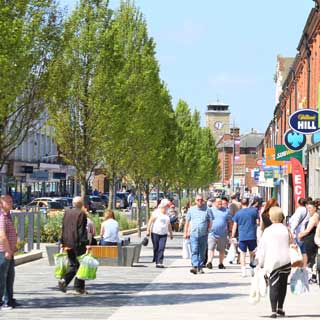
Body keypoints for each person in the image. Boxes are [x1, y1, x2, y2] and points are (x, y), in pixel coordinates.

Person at [257, 206, 291, 318]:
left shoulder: (268, 230)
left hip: (273, 261)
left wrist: (260, 263)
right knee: (283, 285)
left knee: (274, 285)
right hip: (286, 260)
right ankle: (280, 307)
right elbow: (292, 243)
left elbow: (262, 248)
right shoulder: (286, 229)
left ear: (271, 217)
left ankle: (273, 310)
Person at [59, 196, 88, 294]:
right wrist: (85, 243)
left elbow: (63, 227)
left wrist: (62, 241)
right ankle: (74, 285)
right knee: (79, 265)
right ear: (81, 204)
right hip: (77, 243)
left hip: (67, 242)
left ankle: (77, 286)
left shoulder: (67, 212)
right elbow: (81, 231)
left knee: (74, 263)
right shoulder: (81, 214)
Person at [184, 194, 212, 274]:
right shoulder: (191, 210)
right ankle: (195, 266)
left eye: (201, 200)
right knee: (195, 250)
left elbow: (210, 220)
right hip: (193, 234)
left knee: (202, 252)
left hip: (203, 234)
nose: (200, 201)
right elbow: (187, 222)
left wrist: (209, 228)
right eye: (198, 200)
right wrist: (185, 232)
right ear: (195, 201)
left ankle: (200, 266)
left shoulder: (207, 209)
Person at [231, 198, 259, 277]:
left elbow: (235, 226)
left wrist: (232, 236)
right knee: (252, 253)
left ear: (241, 203)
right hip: (252, 236)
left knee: (242, 254)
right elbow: (258, 222)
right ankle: (252, 269)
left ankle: (243, 272)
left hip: (242, 236)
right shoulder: (254, 211)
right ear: (248, 203)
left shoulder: (238, 213)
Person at [0, 195, 18, 310]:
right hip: (3, 251)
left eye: (11, 201)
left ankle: (9, 300)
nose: (11, 203)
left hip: (9, 251)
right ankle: (2, 302)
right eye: (8, 201)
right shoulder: (2, 217)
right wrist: (7, 250)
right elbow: (2, 235)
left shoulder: (8, 215)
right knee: (2, 277)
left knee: (10, 277)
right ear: (1, 204)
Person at [206, 198, 232, 270]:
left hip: (223, 234)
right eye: (218, 203)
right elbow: (207, 220)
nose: (220, 204)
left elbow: (230, 222)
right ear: (214, 203)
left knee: (222, 250)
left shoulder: (226, 211)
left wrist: (230, 232)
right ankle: (209, 262)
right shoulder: (210, 210)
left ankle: (220, 263)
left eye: (221, 203)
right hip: (212, 233)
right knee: (211, 248)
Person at [146, 198, 173, 268]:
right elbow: (150, 221)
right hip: (155, 232)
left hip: (164, 234)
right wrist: (148, 230)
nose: (168, 207)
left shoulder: (167, 214)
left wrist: (171, 233)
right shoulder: (156, 212)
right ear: (163, 205)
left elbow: (169, 224)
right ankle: (156, 258)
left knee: (161, 247)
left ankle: (159, 262)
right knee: (156, 247)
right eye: (167, 206)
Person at [298, 201, 319, 283]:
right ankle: (313, 276)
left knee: (310, 258)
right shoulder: (312, 216)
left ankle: (312, 277)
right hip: (309, 239)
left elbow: (308, 230)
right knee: (311, 258)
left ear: (315, 208)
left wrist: (300, 235)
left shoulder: (315, 217)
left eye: (310, 208)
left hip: (311, 240)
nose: (308, 210)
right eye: (308, 208)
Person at [289, 198, 308, 267]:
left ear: (298, 203)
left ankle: (299, 265)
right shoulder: (306, 210)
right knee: (303, 251)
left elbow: (296, 220)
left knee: (298, 250)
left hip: (298, 231)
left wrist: (291, 230)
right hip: (303, 231)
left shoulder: (300, 210)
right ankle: (304, 266)